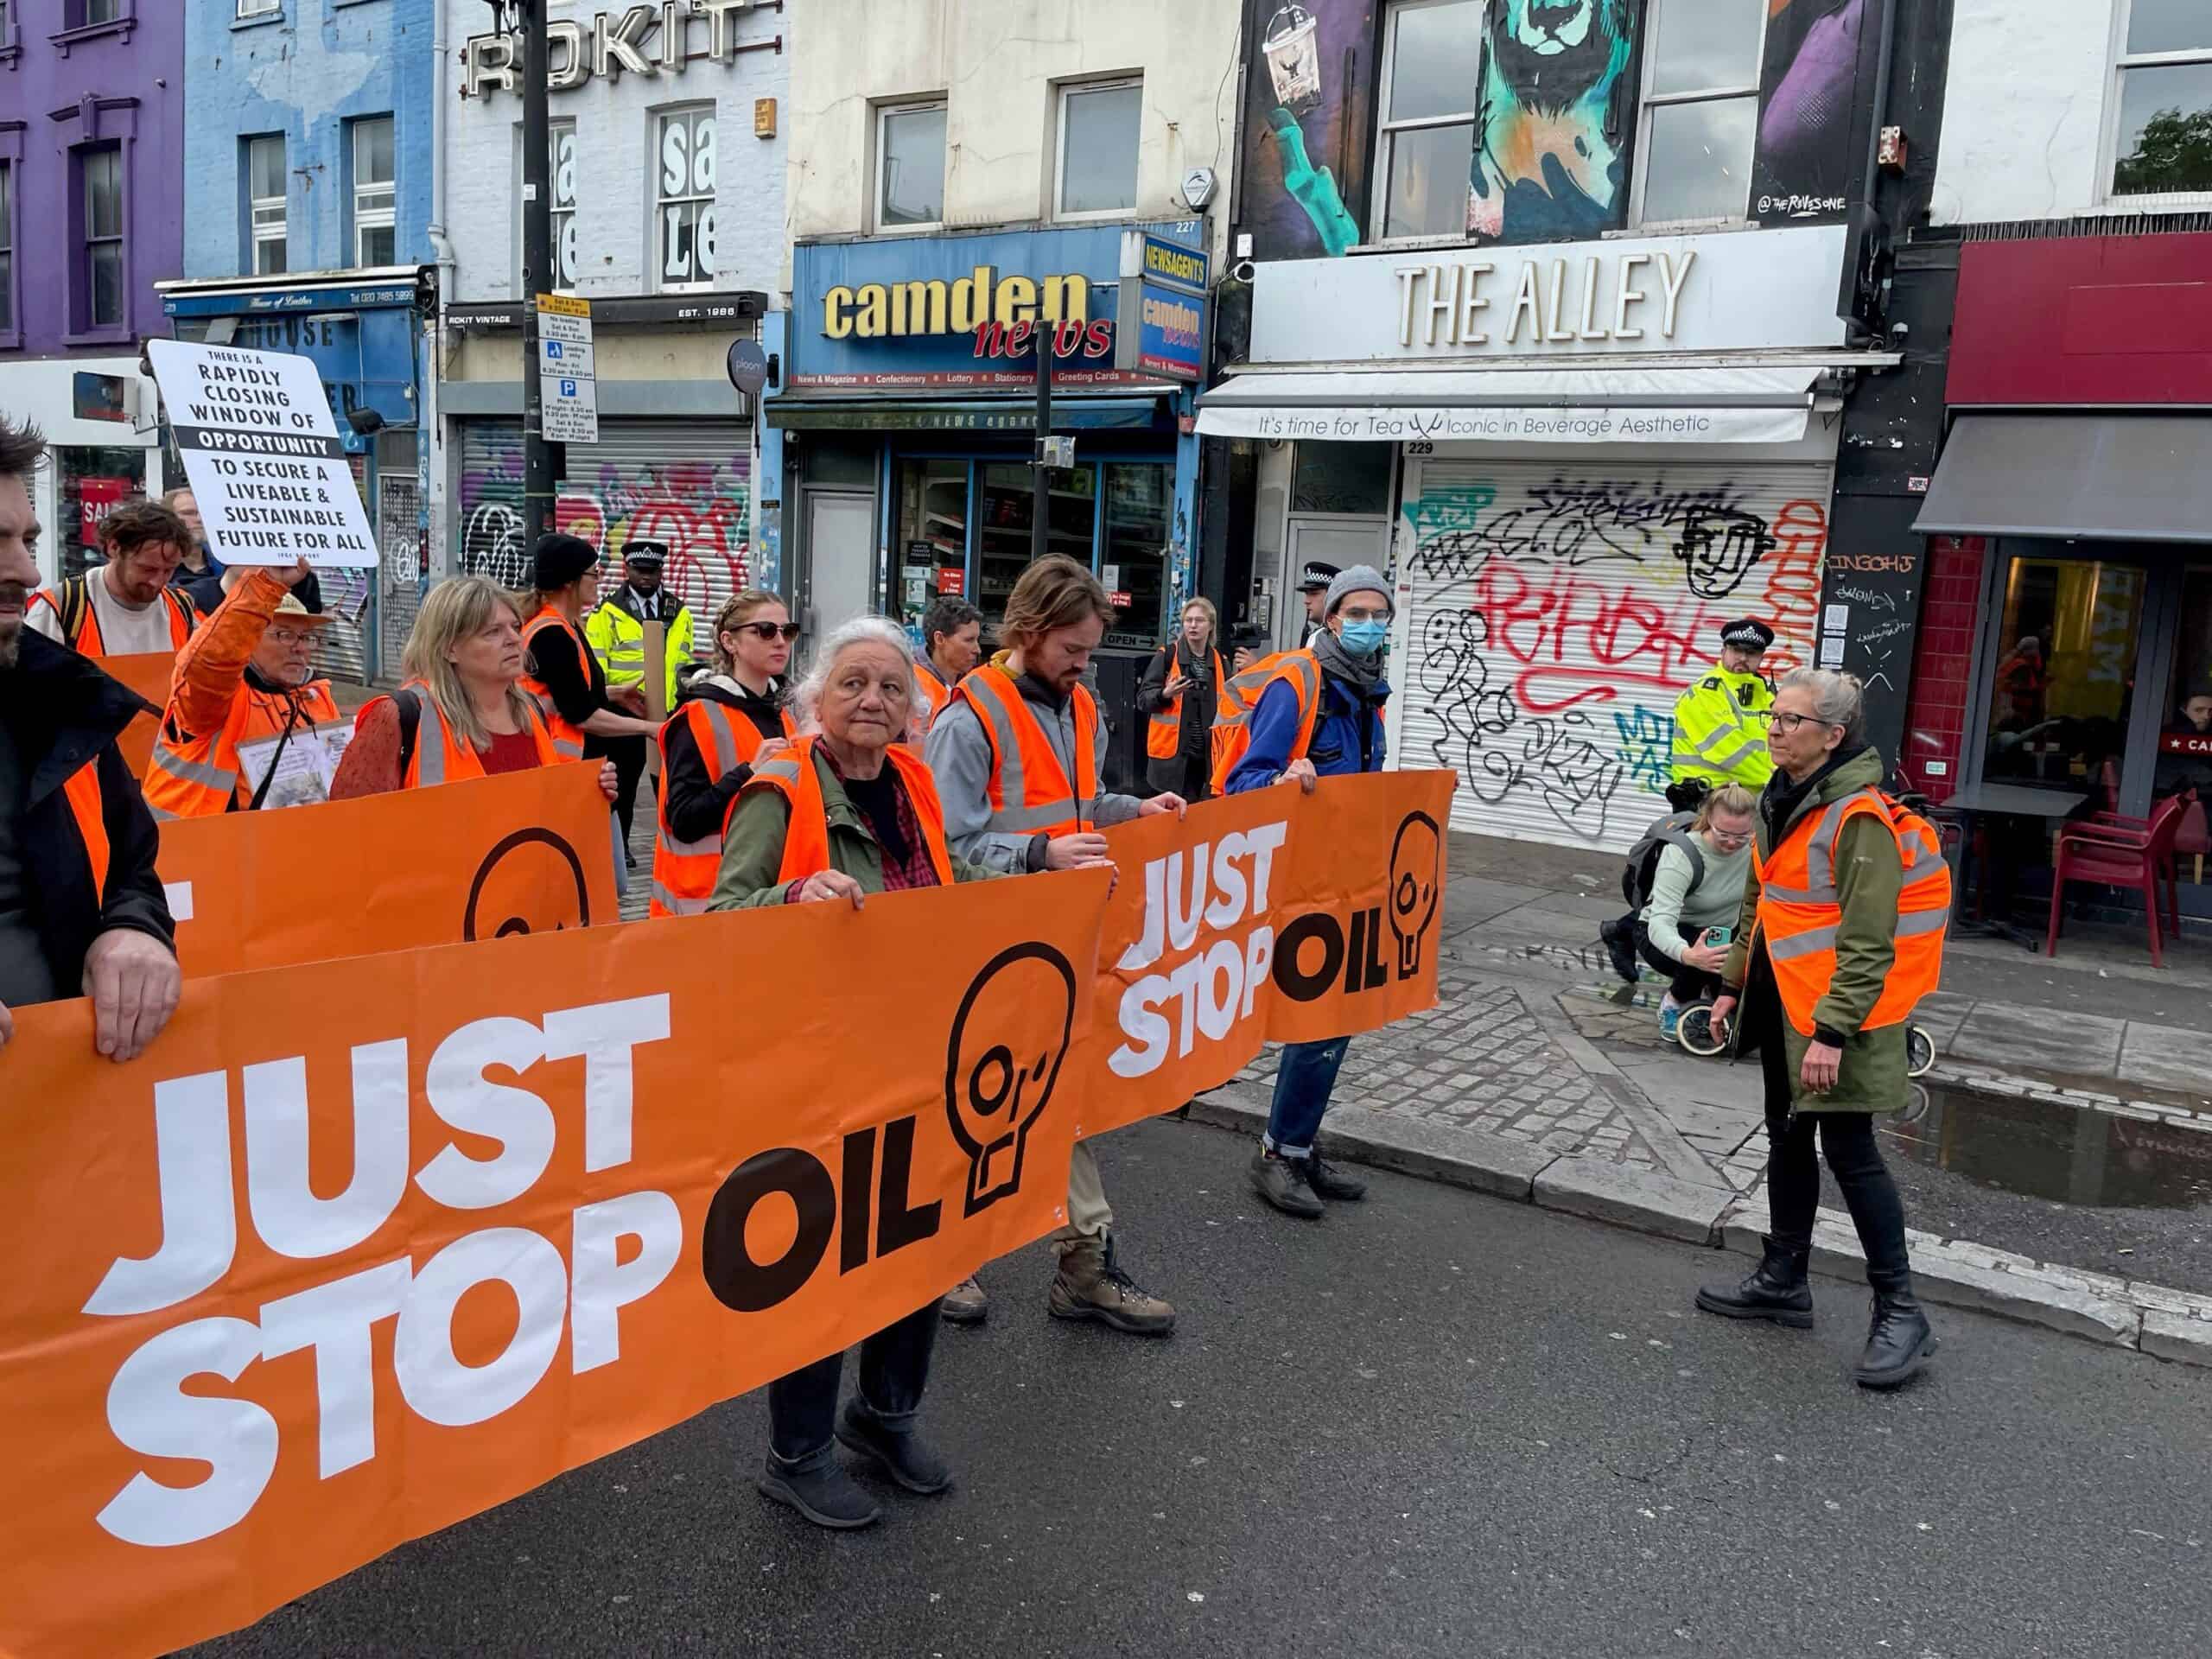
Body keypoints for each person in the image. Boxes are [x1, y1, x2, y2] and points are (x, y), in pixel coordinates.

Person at [711, 615, 995, 1530]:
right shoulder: (780, 785)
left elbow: (947, 894)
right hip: (815, 1070)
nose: (873, 701)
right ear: (813, 702)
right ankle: (795, 1454)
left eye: (890, 687)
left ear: (914, 707)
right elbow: (719, 917)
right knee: (824, 1264)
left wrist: (1048, 867)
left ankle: (884, 1417)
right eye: (853, 685)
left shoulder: (910, 778)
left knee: (917, 1249)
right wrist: (792, 895)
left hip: (914, 1055)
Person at [925, 554, 1183, 1335]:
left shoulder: (1080, 706)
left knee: (1056, 1098)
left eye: (1091, 650)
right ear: (1029, 632)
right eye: (1072, 649)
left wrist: (1130, 809)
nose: (1084, 664)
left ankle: (1082, 1262)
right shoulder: (966, 720)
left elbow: (1073, 803)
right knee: (966, 1107)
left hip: (1054, 944)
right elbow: (940, 849)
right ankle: (941, 1260)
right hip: (985, 949)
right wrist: (1038, 858)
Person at [1701, 668, 1947, 1391]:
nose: (1775, 728)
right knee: (1785, 1134)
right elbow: (1761, 899)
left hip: (1841, 1016)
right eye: (1773, 716)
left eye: (1792, 720)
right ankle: (1784, 1278)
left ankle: (1902, 1311)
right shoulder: (1783, 798)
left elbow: (1870, 941)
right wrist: (1730, 985)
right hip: (1784, 1005)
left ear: (1833, 736)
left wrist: (1833, 1033)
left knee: (1851, 1150)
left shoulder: (1857, 816)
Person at [0, 415, 180, 1064]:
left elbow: (133, 869)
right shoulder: (61, 617)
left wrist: (132, 929)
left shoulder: (66, 708)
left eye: (27, 540)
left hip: (70, 1115)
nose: (24, 569)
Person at [1223, 566, 1393, 1220]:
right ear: (1332, 618)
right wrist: (1284, 779)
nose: (1369, 623)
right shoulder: (1299, 683)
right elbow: (1242, 783)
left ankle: (1295, 1143)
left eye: (1380, 613)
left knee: (1337, 1021)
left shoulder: (1366, 691)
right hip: (1295, 882)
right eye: (1358, 612)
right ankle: (1278, 1155)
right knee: (1319, 1021)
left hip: (1344, 878)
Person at [328, 575, 620, 801]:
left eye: (515, 627)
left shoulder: (531, 711)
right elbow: (353, 828)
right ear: (449, 648)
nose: (514, 640)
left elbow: (541, 807)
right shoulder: (399, 715)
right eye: (493, 632)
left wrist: (587, 792)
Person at [143, 560, 343, 819]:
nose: (300, 647)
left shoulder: (316, 698)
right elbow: (213, 658)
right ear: (250, 638)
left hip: (284, 847)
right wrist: (267, 584)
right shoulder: (214, 698)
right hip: (199, 850)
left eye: (307, 637)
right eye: (285, 635)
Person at [649, 588, 798, 918]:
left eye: (787, 631)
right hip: (703, 905)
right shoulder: (697, 717)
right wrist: (747, 774)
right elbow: (684, 821)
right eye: (765, 631)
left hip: (768, 895)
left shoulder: (785, 715)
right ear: (730, 642)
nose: (780, 641)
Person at [517, 535, 661, 864]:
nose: (599, 580)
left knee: (607, 879)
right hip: (560, 775)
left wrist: (613, 694)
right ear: (570, 581)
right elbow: (581, 713)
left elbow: (565, 693)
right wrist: (650, 727)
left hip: (573, 774)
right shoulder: (552, 634)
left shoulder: (563, 627)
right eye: (594, 573)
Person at [581, 543, 687, 861]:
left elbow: (682, 660)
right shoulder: (608, 612)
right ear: (626, 570)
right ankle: (620, 846)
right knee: (622, 787)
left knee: (669, 786)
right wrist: (614, 695)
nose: (645, 578)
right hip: (622, 712)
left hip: (667, 714)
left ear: (661, 573)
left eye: (652, 571)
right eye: (639, 571)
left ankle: (672, 846)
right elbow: (596, 666)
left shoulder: (677, 610)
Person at [1636, 783, 1756, 1038]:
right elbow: (1660, 922)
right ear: (1708, 818)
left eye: (1741, 836)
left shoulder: (1755, 848)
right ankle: (1674, 1001)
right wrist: (1688, 955)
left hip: (1721, 932)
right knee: (1707, 953)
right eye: (1723, 834)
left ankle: (1712, 992)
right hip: (1663, 935)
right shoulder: (1682, 854)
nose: (1732, 843)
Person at [26, 499, 199, 656]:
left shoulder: (182, 609)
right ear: (113, 548)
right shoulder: (59, 607)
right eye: (147, 569)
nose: (158, 581)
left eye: (169, 570)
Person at [1669, 617, 1777, 807]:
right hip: (1707, 804)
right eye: (1736, 650)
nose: (1743, 658)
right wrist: (1779, 780)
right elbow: (1729, 752)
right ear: (1723, 652)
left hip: (1748, 803)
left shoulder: (1765, 694)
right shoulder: (1705, 693)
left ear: (1761, 658)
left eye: (1751, 653)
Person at [1137, 596, 1227, 801]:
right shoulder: (1168, 655)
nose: (1193, 625)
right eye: (1188, 620)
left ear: (1210, 625)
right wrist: (1164, 694)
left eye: (1199, 620)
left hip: (1207, 761)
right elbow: (1143, 699)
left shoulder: (1221, 662)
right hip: (1172, 761)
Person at [912, 595, 982, 736]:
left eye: (977, 640)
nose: (977, 650)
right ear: (939, 639)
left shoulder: (975, 683)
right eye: (969, 640)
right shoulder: (910, 684)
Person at [163, 487, 227, 614]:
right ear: (168, 518)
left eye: (204, 512)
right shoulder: (157, 567)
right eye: (188, 513)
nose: (199, 519)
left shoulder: (224, 562)